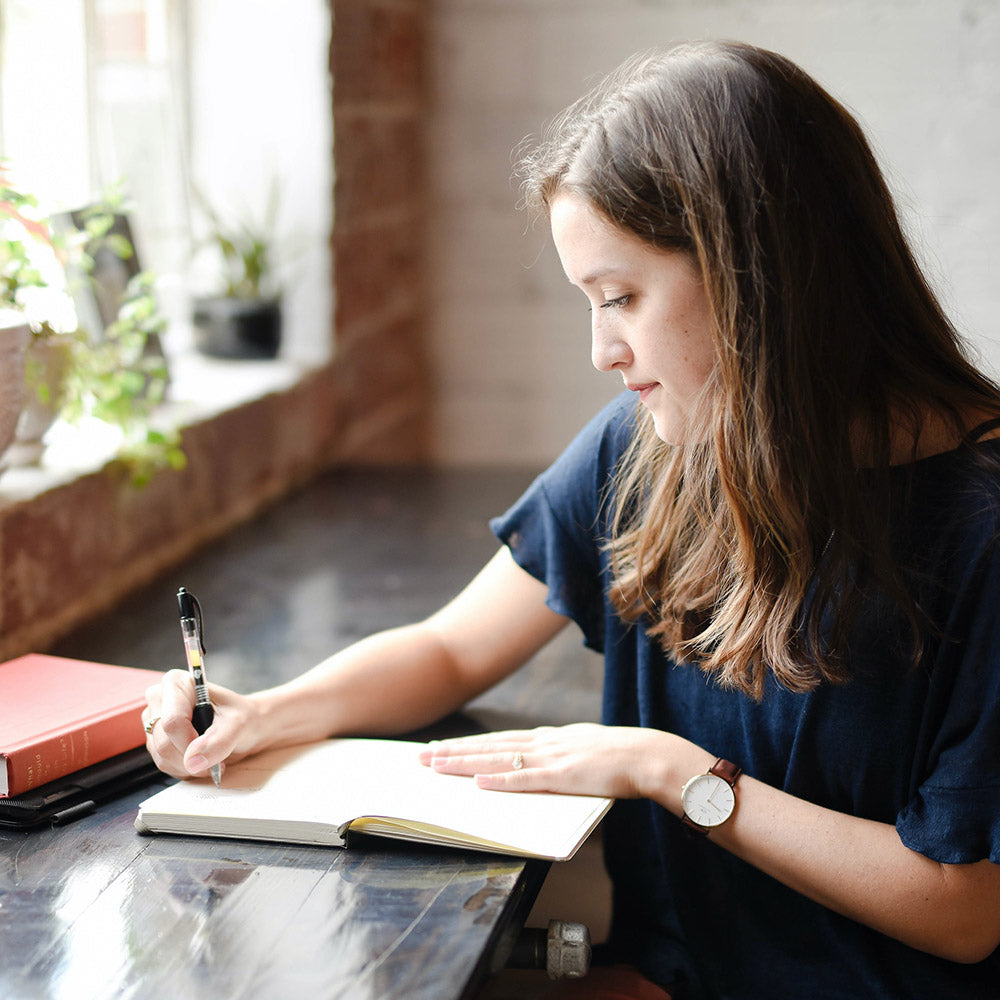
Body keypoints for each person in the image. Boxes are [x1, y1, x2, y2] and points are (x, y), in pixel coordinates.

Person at [143, 40, 1000, 999]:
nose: (603, 350)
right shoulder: (647, 447)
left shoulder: (982, 530)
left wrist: (675, 773)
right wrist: (263, 715)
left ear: (760, 275)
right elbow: (450, 650)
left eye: (623, 297)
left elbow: (964, 909)